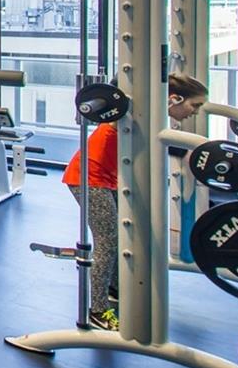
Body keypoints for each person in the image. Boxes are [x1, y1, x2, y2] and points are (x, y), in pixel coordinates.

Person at [61, 72, 208, 330]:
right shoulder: (130, 114)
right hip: (88, 177)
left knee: (123, 235)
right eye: (194, 105)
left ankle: (115, 289)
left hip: (108, 179)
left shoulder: (150, 118)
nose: (194, 112)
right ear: (174, 99)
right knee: (107, 240)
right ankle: (97, 310)